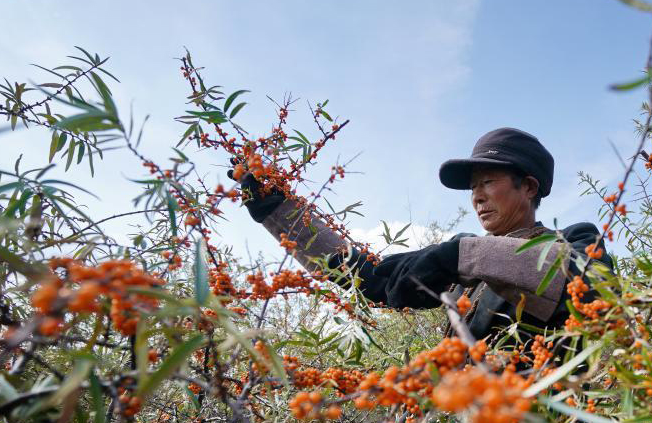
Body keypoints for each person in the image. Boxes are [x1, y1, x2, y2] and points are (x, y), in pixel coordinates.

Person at [234, 127, 613, 342]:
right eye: (473, 187)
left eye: (488, 182)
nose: (477, 196)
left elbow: (588, 286)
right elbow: (366, 274)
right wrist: (281, 213)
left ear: (528, 187)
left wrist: (464, 255)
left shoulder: (573, 239)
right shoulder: (462, 261)